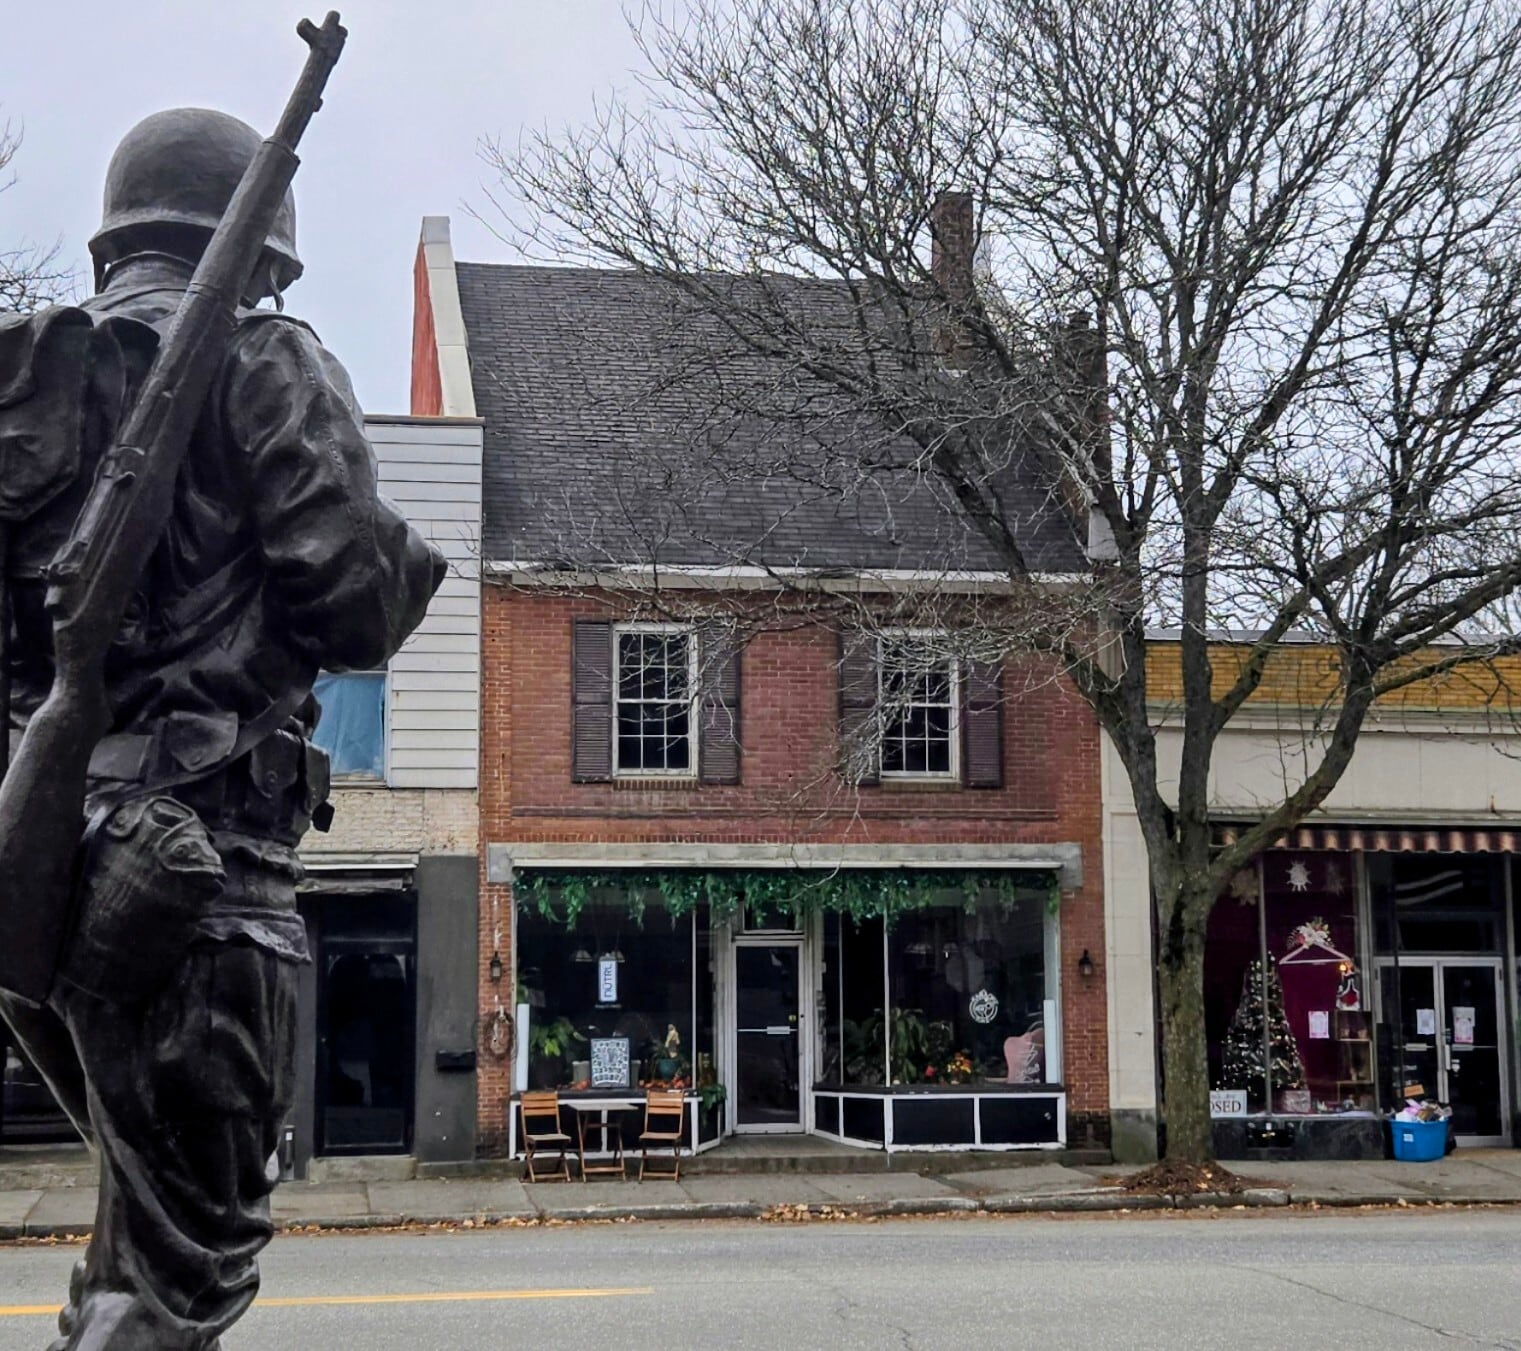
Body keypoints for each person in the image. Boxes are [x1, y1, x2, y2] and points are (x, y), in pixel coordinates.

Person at [0, 107, 445, 1350]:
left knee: (123, 1256)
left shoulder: (20, 374)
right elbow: (355, 599)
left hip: (43, 888)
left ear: (110, 250)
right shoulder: (266, 358)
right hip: (202, 882)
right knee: (178, 1277)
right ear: (259, 259)